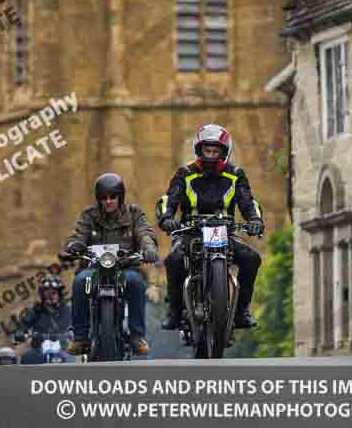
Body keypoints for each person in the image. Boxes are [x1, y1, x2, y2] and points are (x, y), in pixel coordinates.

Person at [157, 124, 264, 331]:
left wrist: (255, 220)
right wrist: (167, 218)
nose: (211, 156)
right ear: (199, 150)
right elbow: (168, 200)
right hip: (191, 232)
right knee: (174, 260)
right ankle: (175, 313)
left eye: (216, 151)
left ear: (224, 153)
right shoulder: (184, 173)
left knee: (252, 258)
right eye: (207, 151)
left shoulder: (236, 174)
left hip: (225, 231)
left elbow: (248, 202)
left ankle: (241, 312)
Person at [63, 173, 159, 356]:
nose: (108, 202)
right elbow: (78, 234)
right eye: (104, 198)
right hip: (94, 268)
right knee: (79, 281)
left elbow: (145, 232)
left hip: (125, 267)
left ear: (120, 197)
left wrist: (149, 247)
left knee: (136, 282)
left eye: (112, 197)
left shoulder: (134, 214)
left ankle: (137, 336)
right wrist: (74, 245)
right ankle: (80, 336)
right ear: (98, 199)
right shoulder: (88, 216)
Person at [15, 276, 72, 364]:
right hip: (38, 349)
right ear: (42, 294)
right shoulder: (35, 310)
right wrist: (21, 333)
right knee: (26, 356)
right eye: (47, 292)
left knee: (75, 359)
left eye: (54, 292)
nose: (51, 296)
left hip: (64, 349)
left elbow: (78, 325)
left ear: (59, 294)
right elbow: (23, 326)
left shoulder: (68, 310)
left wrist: (75, 333)